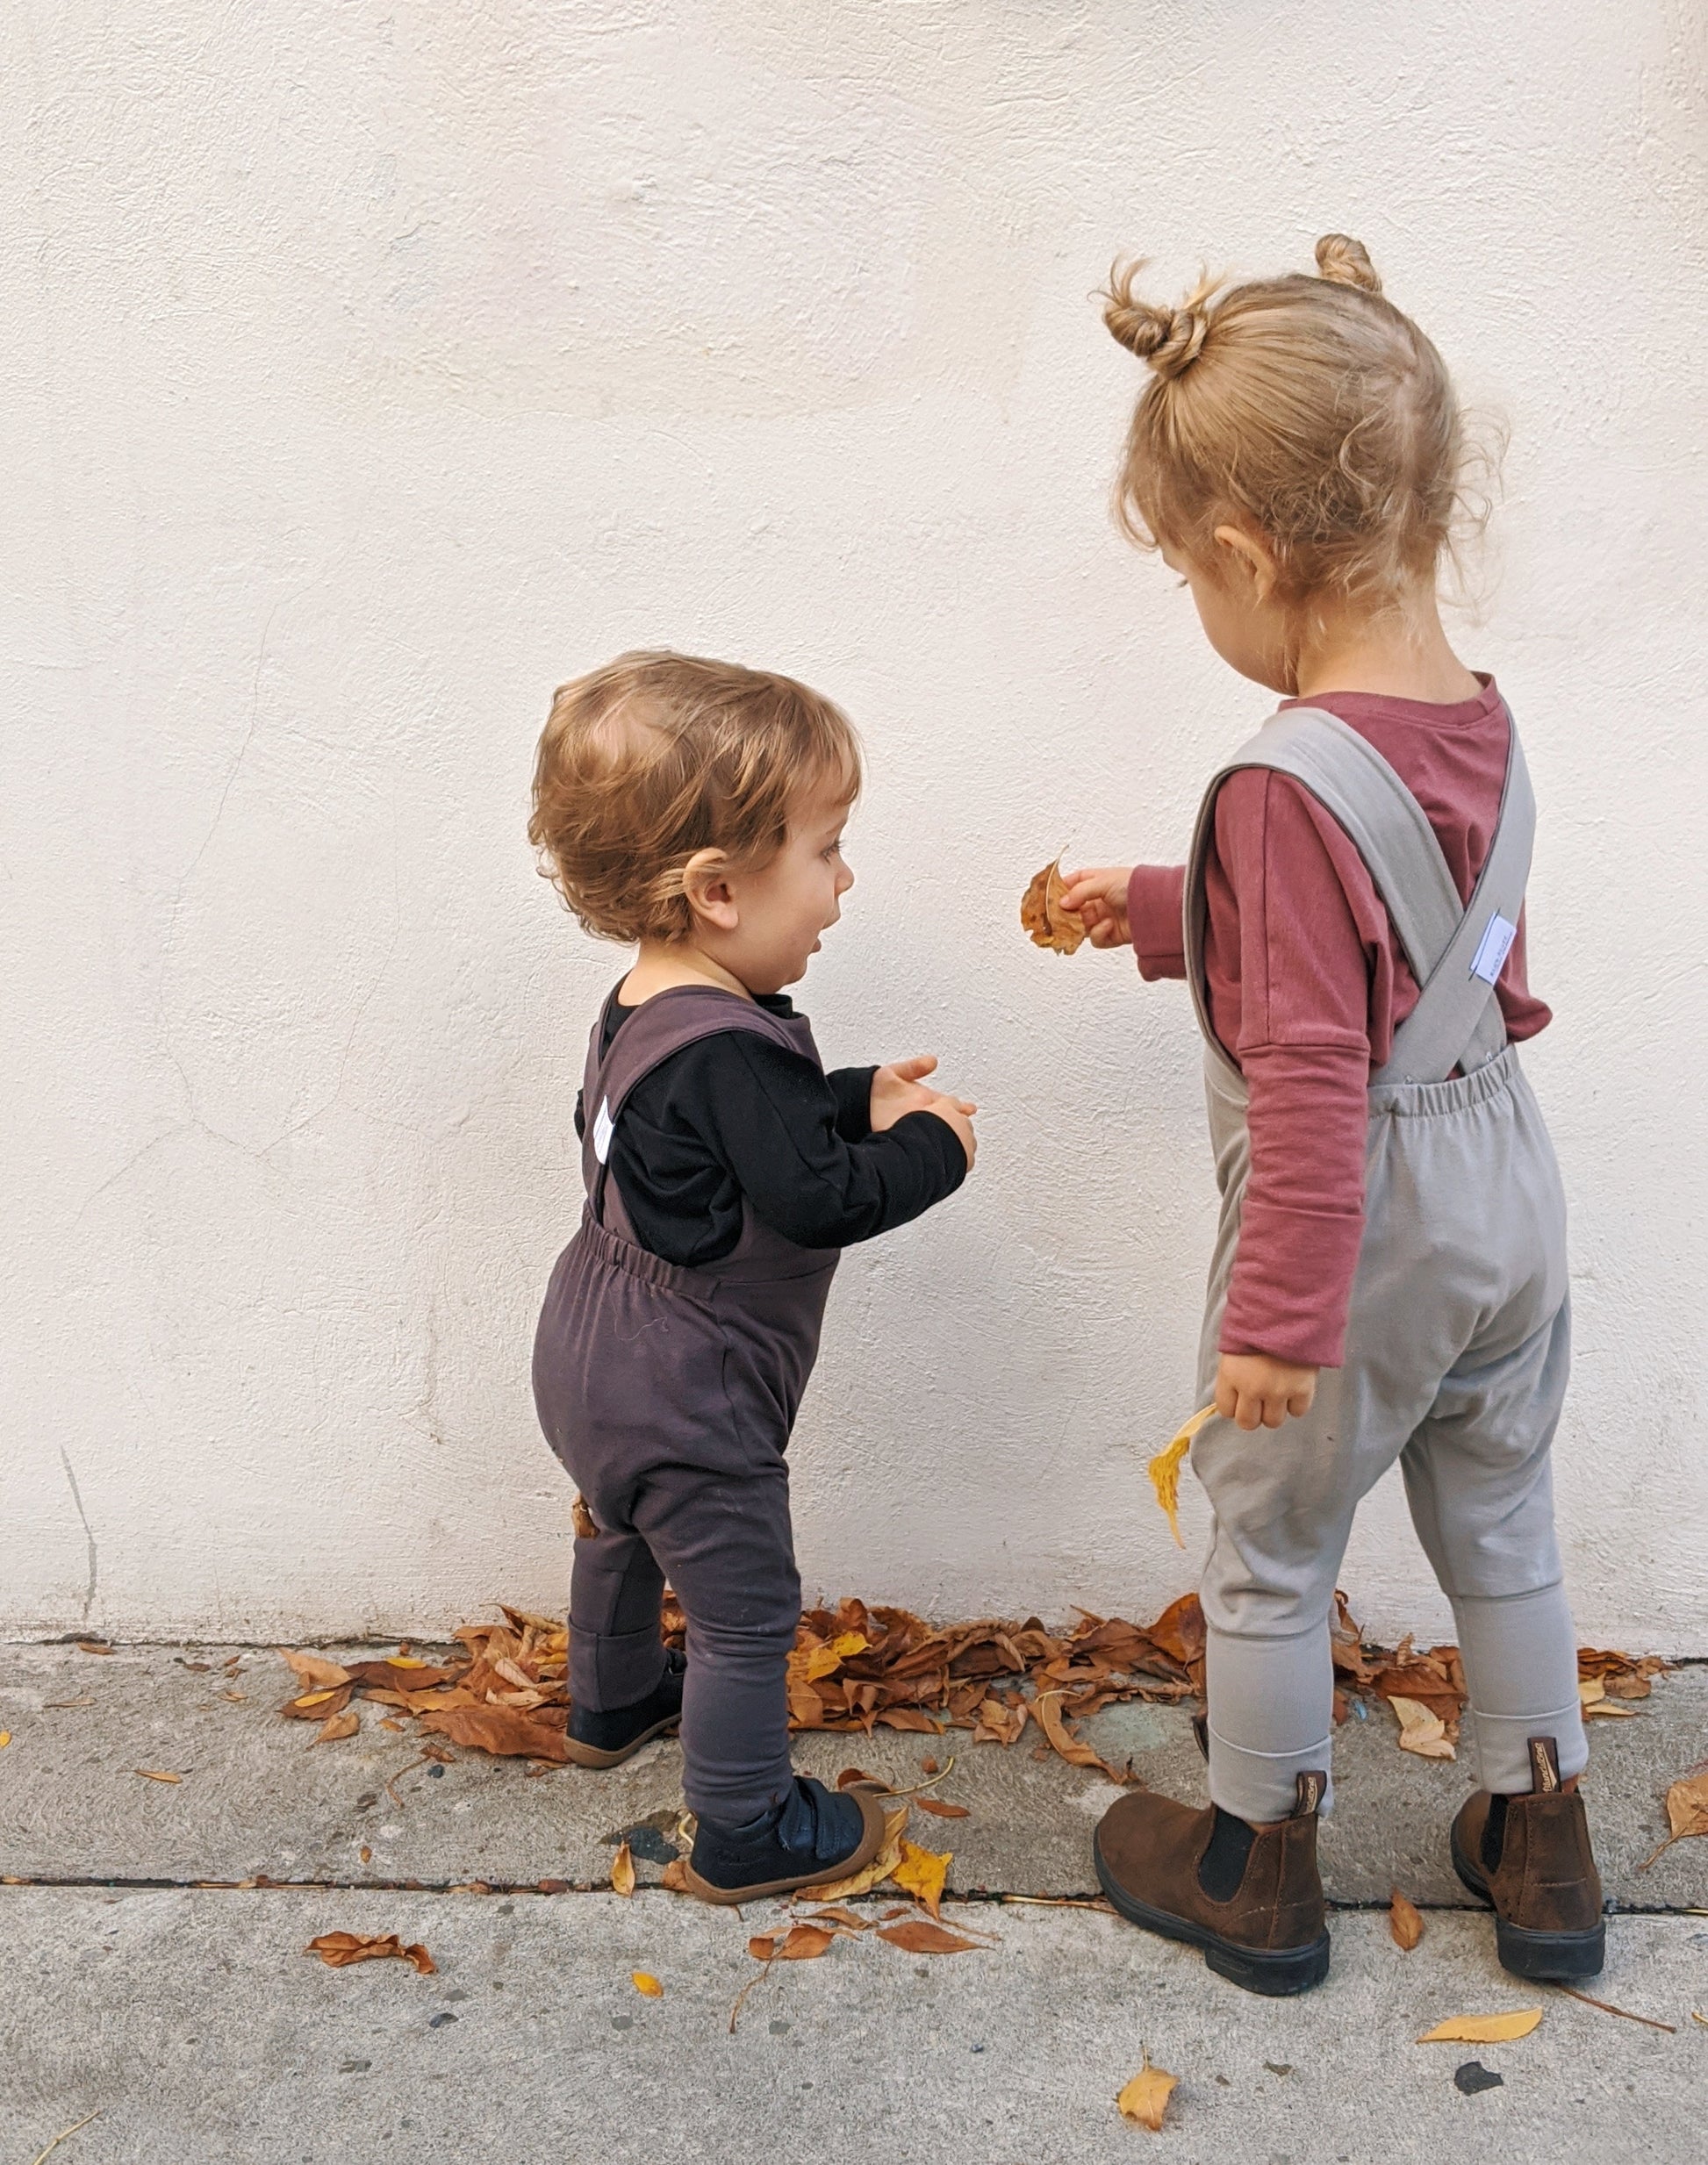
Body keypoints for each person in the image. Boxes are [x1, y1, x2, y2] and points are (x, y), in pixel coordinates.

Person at [1063, 236, 1601, 1995]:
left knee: (1272, 1541)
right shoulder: (1482, 723)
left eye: (1184, 579)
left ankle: (1254, 1863)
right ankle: (1543, 1843)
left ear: (1238, 555)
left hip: (1351, 1216)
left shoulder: (1285, 777)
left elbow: (1309, 1061)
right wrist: (1150, 906)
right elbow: (1423, 955)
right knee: (1500, 1516)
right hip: (1503, 1185)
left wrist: (1277, 1322)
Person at [527, 650, 977, 1903]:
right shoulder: (730, 1047)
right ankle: (743, 1828)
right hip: (690, 1383)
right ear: (720, 889)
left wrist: (854, 1096)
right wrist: (932, 1147)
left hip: (587, 1352)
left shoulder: (646, 1007)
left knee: (620, 1523)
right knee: (743, 1607)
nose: (843, 878)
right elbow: (813, 1195)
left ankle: (609, 1703)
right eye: (825, 849)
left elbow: (734, 1140)